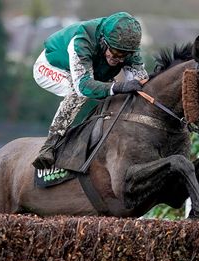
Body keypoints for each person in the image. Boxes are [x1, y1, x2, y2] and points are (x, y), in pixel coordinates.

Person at [31, 11, 149, 169]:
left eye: (125, 55)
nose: (119, 59)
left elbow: (142, 84)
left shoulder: (128, 49)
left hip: (91, 72)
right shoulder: (82, 39)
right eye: (115, 52)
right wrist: (120, 86)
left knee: (121, 94)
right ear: (103, 41)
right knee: (77, 93)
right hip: (52, 67)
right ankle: (50, 145)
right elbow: (84, 86)